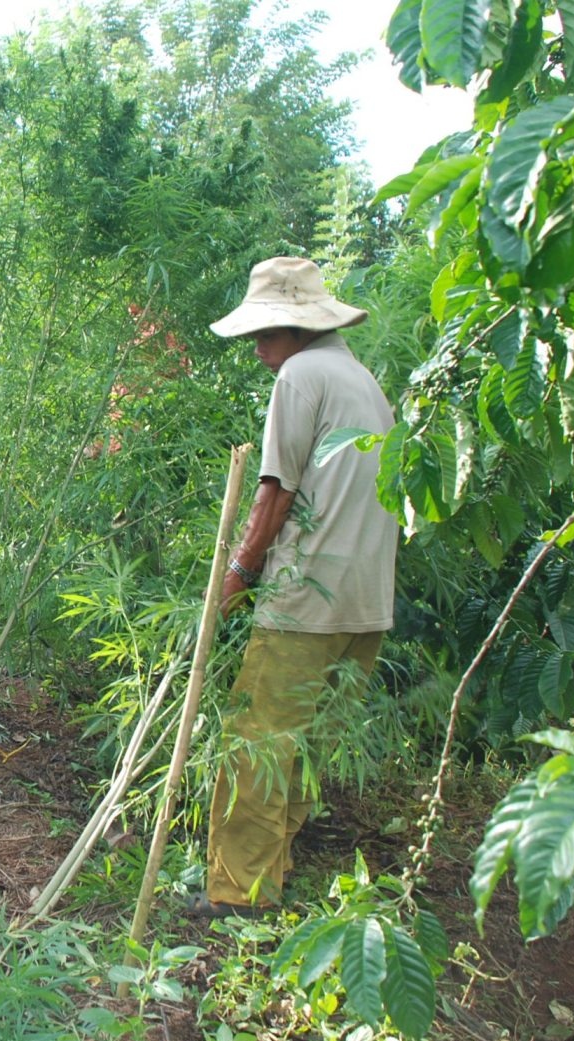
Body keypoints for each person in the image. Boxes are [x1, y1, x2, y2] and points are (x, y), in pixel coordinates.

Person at [196, 256, 397, 917]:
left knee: (256, 745)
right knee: (301, 746)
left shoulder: (301, 375)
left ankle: (238, 895)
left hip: (306, 596)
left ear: (293, 327)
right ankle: (271, 870)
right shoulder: (362, 381)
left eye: (263, 335)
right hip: (366, 600)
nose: (258, 351)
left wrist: (235, 577)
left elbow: (275, 492)